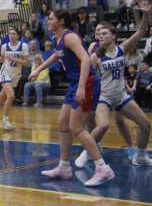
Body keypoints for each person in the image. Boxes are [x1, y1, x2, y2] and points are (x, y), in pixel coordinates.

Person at [29, 10, 114, 187]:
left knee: (76, 127)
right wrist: (38, 69)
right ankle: (64, 167)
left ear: (61, 21)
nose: (48, 21)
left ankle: (102, 168)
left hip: (87, 83)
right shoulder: (58, 38)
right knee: (63, 124)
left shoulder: (70, 37)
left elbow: (85, 60)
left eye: (51, 19)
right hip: (75, 83)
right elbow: (55, 56)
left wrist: (82, 86)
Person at [75, 2, 152, 169]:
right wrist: (82, 88)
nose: (100, 36)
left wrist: (146, 14)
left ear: (114, 36)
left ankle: (140, 156)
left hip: (121, 95)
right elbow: (84, 69)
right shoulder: (95, 57)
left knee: (145, 124)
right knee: (103, 125)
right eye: (99, 34)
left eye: (104, 33)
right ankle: (87, 152)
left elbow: (140, 32)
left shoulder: (121, 49)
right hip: (104, 96)